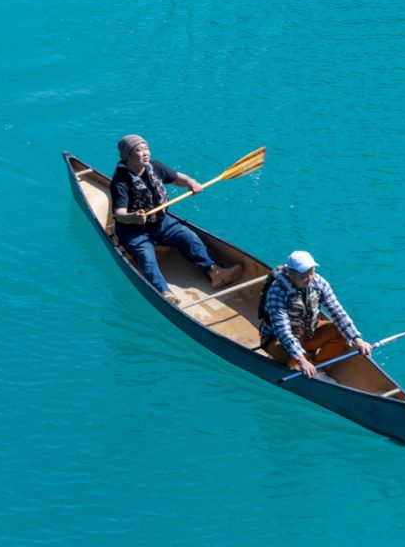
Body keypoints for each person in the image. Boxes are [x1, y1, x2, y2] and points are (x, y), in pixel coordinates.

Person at [110, 134, 242, 304]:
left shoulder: (155, 167)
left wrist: (191, 183)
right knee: (147, 259)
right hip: (134, 231)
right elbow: (119, 213)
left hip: (161, 222)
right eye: (139, 150)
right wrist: (133, 218)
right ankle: (164, 292)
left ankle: (214, 272)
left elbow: (178, 178)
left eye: (146, 148)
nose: (145, 153)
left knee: (189, 238)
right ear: (128, 156)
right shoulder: (120, 182)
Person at [259, 250, 373, 378]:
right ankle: (300, 364)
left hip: (307, 333)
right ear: (290, 273)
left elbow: (337, 311)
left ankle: (317, 368)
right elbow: (283, 331)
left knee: (341, 332)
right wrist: (301, 359)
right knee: (292, 359)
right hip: (277, 340)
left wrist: (357, 339)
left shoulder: (319, 282)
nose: (309, 279)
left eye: (312, 274)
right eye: (303, 277)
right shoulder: (276, 292)